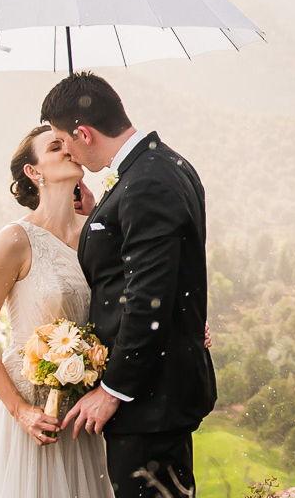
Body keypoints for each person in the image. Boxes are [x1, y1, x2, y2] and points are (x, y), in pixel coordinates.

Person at [43, 72, 216, 498]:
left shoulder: (146, 183)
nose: (68, 152)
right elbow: (152, 262)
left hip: (150, 400)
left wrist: (113, 390)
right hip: (158, 396)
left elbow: (147, 299)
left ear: (85, 134)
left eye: (64, 141)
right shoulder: (161, 165)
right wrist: (100, 215)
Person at [0, 124, 110, 495]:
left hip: (81, 418)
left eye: (68, 142)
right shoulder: (15, 239)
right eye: (55, 146)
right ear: (33, 171)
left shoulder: (99, 231)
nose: (68, 149)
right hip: (28, 416)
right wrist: (20, 410)